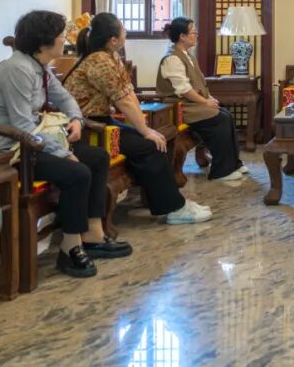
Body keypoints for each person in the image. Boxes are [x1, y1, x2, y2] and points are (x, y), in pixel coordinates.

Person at [0, 10, 132, 279]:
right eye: (61, 36)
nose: (65, 40)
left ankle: (93, 233)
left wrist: (76, 120)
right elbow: (22, 126)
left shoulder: (39, 68)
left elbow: (66, 98)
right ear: (44, 41)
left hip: (30, 142)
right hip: (7, 151)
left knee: (97, 158)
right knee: (77, 172)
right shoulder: (17, 70)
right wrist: (62, 153)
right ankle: (70, 247)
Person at [63, 13, 212, 225]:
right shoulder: (99, 61)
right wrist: (144, 131)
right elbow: (123, 101)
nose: (125, 33)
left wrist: (145, 128)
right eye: (123, 30)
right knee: (150, 146)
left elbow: (129, 93)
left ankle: (169, 202)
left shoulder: (111, 56)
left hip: (103, 121)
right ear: (113, 40)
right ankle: (173, 208)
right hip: (88, 128)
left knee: (154, 140)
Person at [156, 17, 244, 182]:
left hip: (192, 104)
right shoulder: (172, 58)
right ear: (182, 36)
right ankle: (221, 172)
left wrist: (210, 99)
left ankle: (234, 164)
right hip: (179, 106)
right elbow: (184, 90)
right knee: (220, 120)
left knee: (226, 115)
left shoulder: (188, 56)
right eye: (193, 32)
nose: (196, 35)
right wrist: (205, 102)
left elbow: (199, 83)